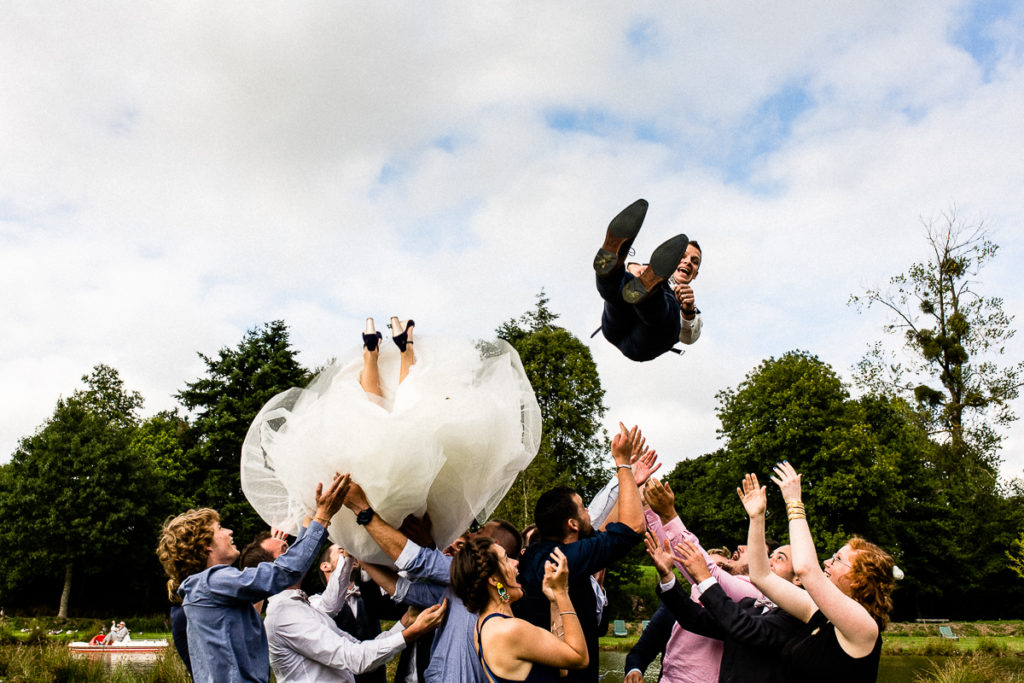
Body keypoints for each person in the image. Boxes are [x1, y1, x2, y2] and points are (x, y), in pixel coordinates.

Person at [240, 317, 542, 566]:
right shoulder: (486, 583)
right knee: (387, 419)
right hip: (383, 504)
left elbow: (421, 579)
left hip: (383, 506)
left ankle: (388, 353)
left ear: (505, 555)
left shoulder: (491, 585)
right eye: (480, 534)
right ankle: (380, 354)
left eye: (480, 536)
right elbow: (422, 576)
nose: (472, 534)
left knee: (400, 420)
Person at [156, 473, 351, 683]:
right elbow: (284, 572)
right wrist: (321, 517)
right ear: (205, 545)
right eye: (220, 528)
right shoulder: (212, 582)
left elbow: (283, 570)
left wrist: (311, 516)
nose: (230, 532)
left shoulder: (205, 589)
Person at [342, 477, 523, 683]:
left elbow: (418, 560)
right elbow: (402, 589)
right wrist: (361, 553)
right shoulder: (469, 589)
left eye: (479, 533)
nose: (470, 534)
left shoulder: (476, 576)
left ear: (494, 546)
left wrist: (363, 510)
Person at [515, 423, 647, 683]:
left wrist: (630, 482)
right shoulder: (564, 560)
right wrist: (623, 464)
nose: (589, 513)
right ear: (572, 524)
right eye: (584, 508)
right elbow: (632, 528)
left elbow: (611, 532)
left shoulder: (538, 555)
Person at [740, 463, 896, 681]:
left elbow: (806, 569)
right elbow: (761, 576)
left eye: (837, 559)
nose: (826, 562)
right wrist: (757, 518)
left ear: (860, 579)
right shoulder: (818, 612)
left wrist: (794, 501)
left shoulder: (864, 627)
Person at [265, 541, 446, 683]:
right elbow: (356, 657)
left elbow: (360, 647)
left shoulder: (305, 608)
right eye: (285, 550)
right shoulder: (292, 612)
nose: (295, 552)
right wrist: (413, 631)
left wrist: (405, 622)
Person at [647, 534, 806, 683]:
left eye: (779, 558)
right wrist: (667, 576)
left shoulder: (797, 616)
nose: (769, 562)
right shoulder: (750, 605)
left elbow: (746, 628)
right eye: (770, 557)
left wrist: (704, 577)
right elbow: (696, 620)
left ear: (798, 578)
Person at [451, 538, 588, 682]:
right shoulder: (510, 630)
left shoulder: (483, 626)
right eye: (506, 559)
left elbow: (562, 669)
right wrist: (562, 592)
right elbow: (579, 657)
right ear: (493, 579)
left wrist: (554, 603)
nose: (515, 562)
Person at [593, 199, 702, 361]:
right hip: (618, 321)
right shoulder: (645, 270)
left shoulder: (691, 307)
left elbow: (689, 338)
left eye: (694, 261)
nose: (688, 262)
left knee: (669, 310)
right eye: (683, 256)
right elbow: (634, 270)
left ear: (695, 274)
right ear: (672, 259)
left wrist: (687, 311)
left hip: (644, 341)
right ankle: (613, 262)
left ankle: (646, 292)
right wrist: (631, 267)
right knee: (625, 286)